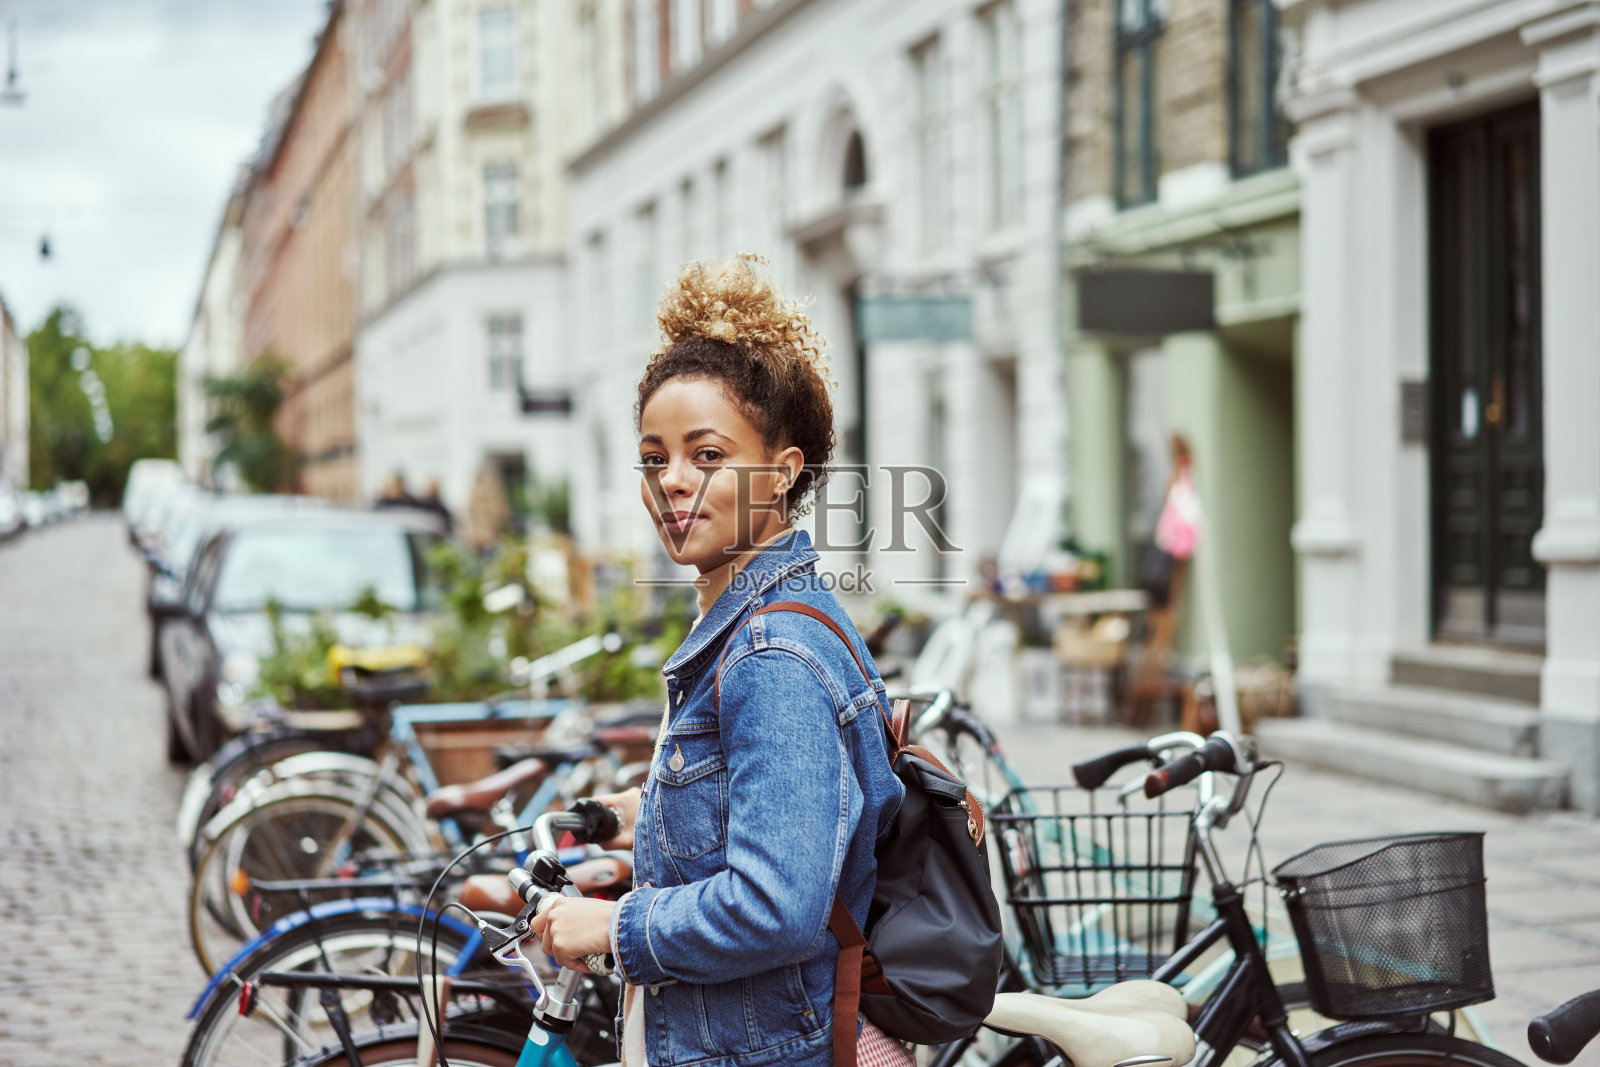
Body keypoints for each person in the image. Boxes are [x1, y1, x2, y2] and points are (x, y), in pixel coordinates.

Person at [528, 254, 911, 1067]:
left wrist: (615, 927)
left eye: (706, 455)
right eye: (653, 456)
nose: (672, 481)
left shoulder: (772, 653)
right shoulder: (754, 621)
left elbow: (775, 906)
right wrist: (645, 813)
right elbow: (772, 807)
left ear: (781, 473)